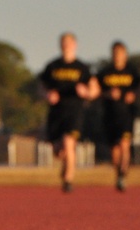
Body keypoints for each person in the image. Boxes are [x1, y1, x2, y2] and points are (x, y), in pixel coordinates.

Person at [39, 32, 100, 193]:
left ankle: (68, 180)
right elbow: (41, 86)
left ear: (75, 45)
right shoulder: (52, 66)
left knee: (69, 142)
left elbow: (95, 89)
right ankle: (67, 167)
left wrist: (86, 93)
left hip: (74, 111)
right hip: (56, 112)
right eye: (63, 42)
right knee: (58, 151)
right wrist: (47, 95)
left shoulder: (82, 68)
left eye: (69, 42)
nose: (66, 45)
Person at [97, 41, 140, 192]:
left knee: (124, 144)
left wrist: (132, 94)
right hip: (110, 115)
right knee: (114, 149)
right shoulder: (105, 73)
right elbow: (96, 91)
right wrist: (108, 94)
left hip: (127, 115)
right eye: (115, 53)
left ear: (125, 55)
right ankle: (119, 175)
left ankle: (123, 173)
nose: (117, 56)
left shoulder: (132, 72)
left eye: (120, 53)